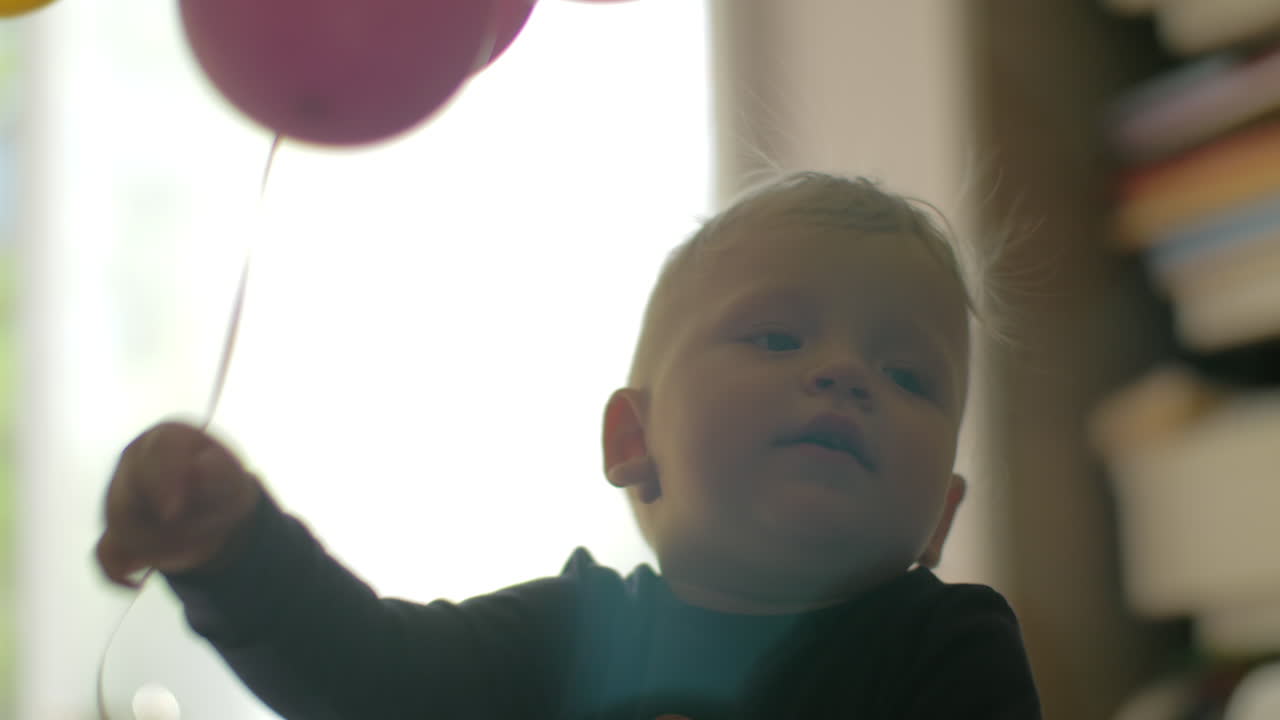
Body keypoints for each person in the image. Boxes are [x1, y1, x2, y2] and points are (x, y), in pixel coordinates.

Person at [96, 171, 1041, 720]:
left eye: (907, 375)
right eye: (779, 337)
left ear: (942, 514)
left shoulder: (949, 647)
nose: (845, 373)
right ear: (634, 440)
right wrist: (236, 553)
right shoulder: (570, 635)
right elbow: (373, 678)